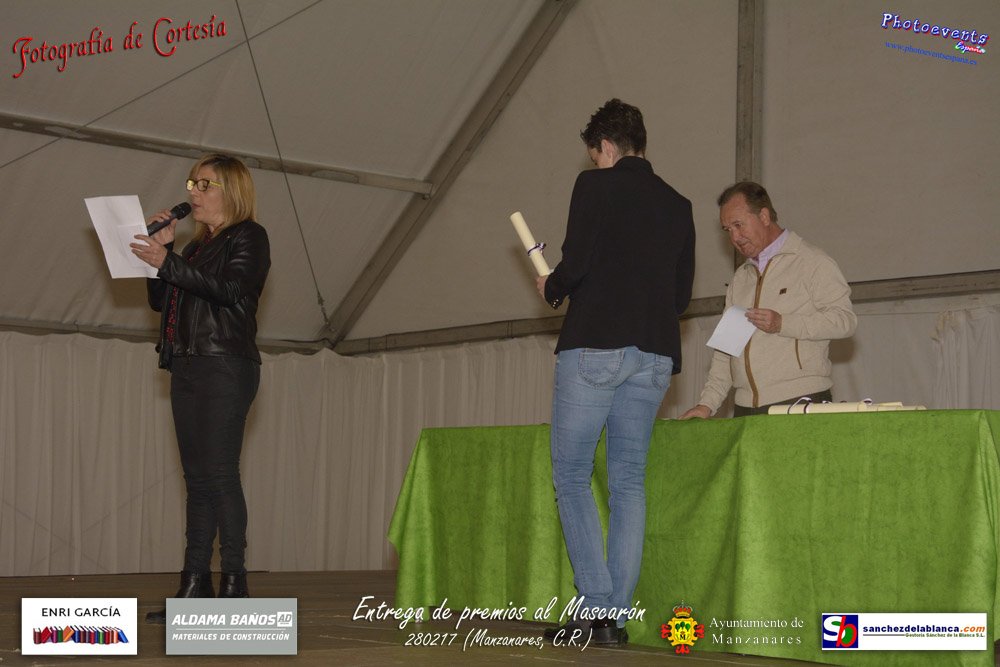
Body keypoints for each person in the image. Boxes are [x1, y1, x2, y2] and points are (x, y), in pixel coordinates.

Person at [537, 99, 695, 645]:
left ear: (605, 146)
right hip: (655, 353)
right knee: (628, 481)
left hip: (596, 345)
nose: (595, 164)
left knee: (572, 476)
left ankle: (594, 608)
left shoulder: (594, 187)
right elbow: (679, 297)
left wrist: (552, 286)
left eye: (595, 155)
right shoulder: (679, 204)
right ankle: (616, 618)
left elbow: (576, 262)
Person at [130, 154, 270, 623]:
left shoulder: (249, 236)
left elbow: (228, 291)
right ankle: (193, 584)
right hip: (187, 365)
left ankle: (234, 584)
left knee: (220, 475)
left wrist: (168, 261)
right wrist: (162, 256)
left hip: (225, 365)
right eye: (192, 183)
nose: (193, 192)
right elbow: (162, 302)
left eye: (204, 184)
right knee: (197, 480)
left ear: (232, 191)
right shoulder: (193, 248)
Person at [680, 181, 856, 419]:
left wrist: (783, 323)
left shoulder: (812, 262)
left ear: (764, 216)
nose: (734, 237)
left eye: (738, 225)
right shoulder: (740, 279)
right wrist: (706, 405)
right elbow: (726, 351)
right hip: (745, 409)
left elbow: (845, 321)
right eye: (727, 229)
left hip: (801, 402)